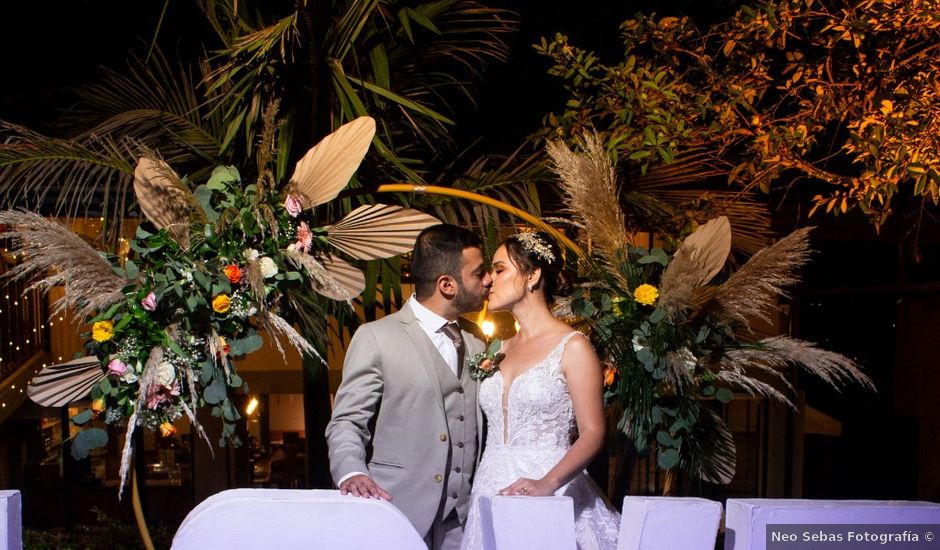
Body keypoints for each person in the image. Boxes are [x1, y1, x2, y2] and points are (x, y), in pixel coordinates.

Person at [326, 223, 492, 550]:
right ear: (447, 284)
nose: (489, 280)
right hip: (396, 512)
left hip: (463, 522)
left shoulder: (477, 341)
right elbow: (346, 421)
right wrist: (350, 473)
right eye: (479, 273)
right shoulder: (376, 337)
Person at [461, 231, 620, 550]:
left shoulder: (572, 347)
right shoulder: (499, 348)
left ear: (533, 276)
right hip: (490, 489)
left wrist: (547, 483)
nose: (489, 280)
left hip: (549, 491)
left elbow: (593, 432)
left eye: (500, 269)